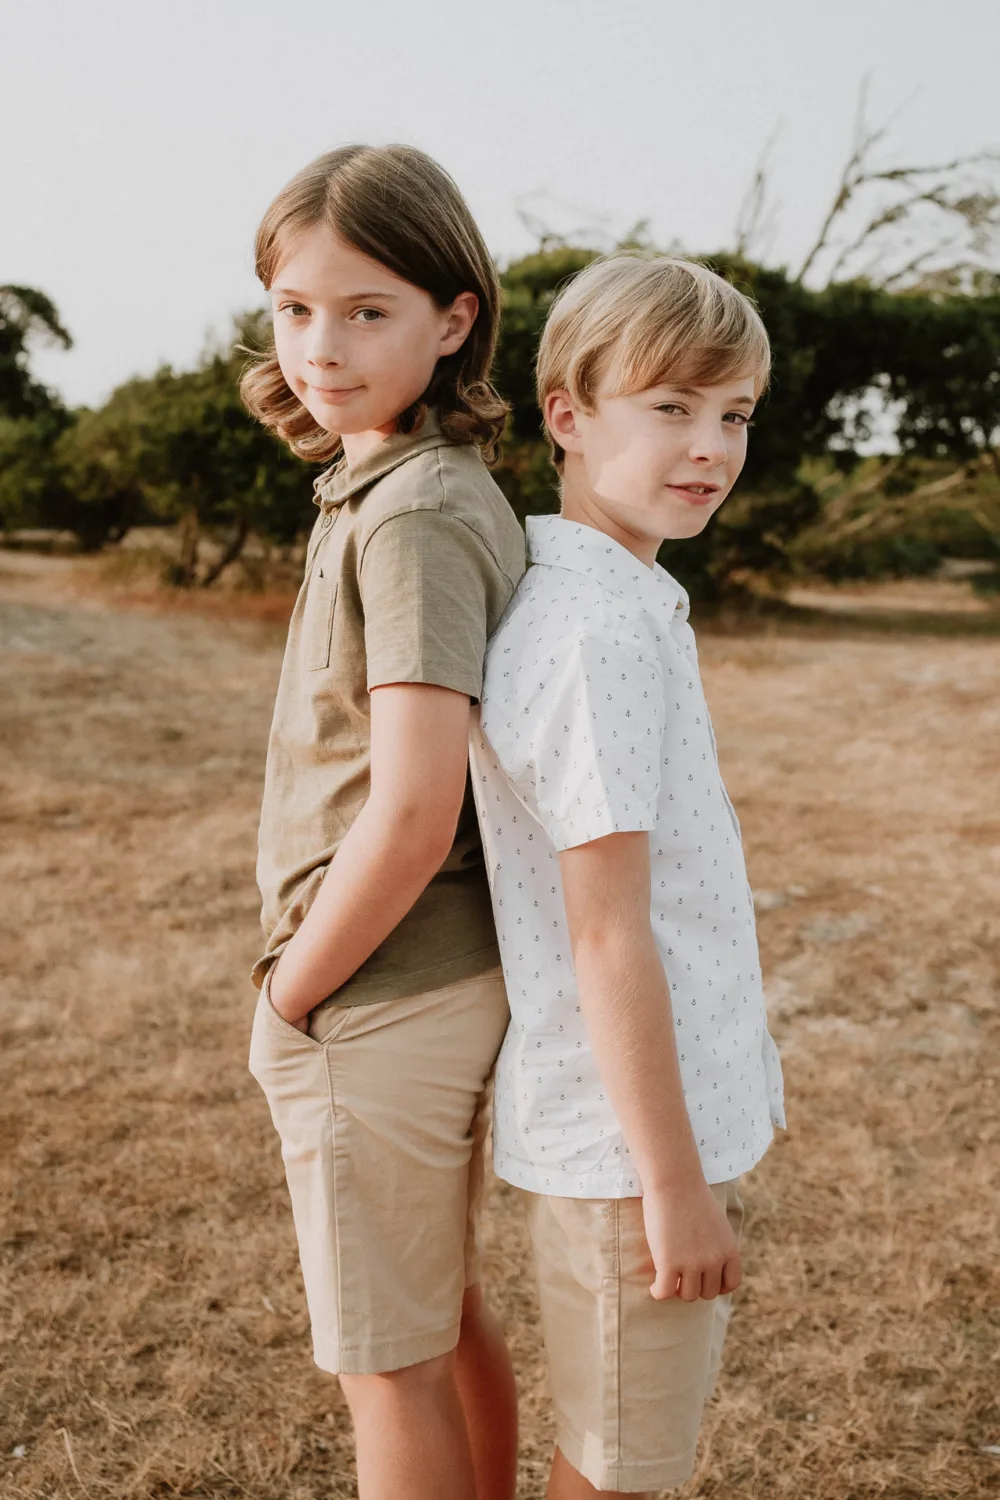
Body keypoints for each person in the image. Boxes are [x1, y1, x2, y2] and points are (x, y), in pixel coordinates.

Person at [469, 253, 786, 1498]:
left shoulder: (625, 593)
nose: (709, 446)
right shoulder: (593, 630)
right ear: (566, 414)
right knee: (619, 1472)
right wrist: (672, 1187)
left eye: (734, 415)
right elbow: (606, 934)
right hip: (627, 1152)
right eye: (670, 408)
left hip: (647, 1130)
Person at [243, 144, 525, 1500]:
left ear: (454, 318)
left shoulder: (412, 515)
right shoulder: (390, 487)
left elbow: (417, 804)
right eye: (297, 308)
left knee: (386, 1367)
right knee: (435, 1311)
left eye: (368, 311)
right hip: (416, 978)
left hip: (379, 990)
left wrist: (295, 993)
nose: (323, 345)